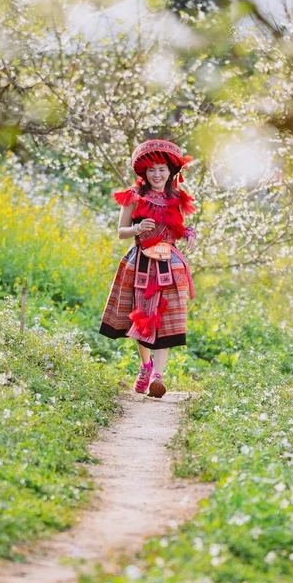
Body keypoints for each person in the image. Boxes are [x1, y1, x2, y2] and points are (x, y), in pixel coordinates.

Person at [99, 139, 196, 398]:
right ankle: (145, 366)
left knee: (165, 320)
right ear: (144, 171)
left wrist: (189, 232)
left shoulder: (177, 198)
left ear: (170, 172)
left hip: (169, 263)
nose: (156, 174)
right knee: (141, 316)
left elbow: (177, 227)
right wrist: (137, 229)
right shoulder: (134, 196)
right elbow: (121, 231)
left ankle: (158, 376)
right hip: (141, 261)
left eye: (161, 169)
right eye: (151, 169)